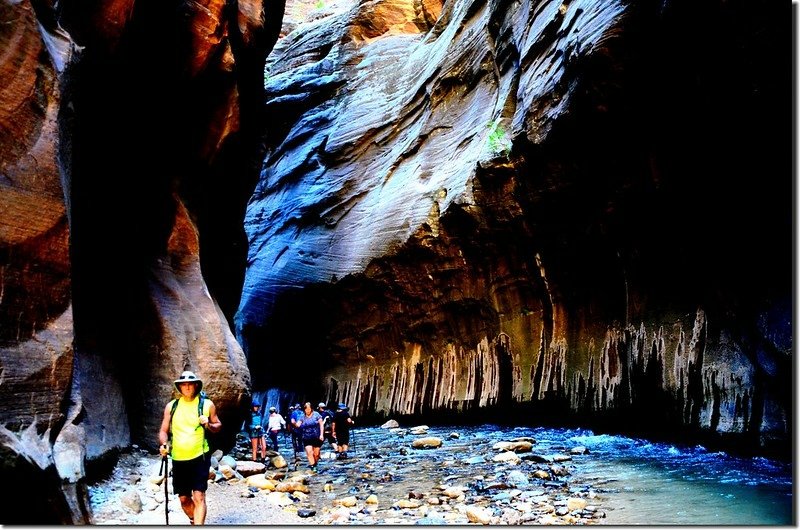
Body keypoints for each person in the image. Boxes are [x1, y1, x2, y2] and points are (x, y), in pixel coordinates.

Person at [158, 370, 222, 525]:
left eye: (190, 384)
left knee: (199, 496)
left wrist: (208, 424)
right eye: (183, 384)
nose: (187, 387)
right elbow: (163, 431)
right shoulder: (171, 406)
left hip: (200, 456)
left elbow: (218, 425)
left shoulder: (207, 405)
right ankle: (194, 520)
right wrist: (164, 444)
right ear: (179, 387)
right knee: (184, 499)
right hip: (179, 458)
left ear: (196, 386)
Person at [297, 402, 324, 472]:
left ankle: (315, 464)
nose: (307, 411)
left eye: (309, 409)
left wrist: (321, 434)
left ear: (311, 409)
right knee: (309, 452)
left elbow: (321, 424)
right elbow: (298, 424)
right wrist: (295, 424)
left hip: (316, 436)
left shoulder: (316, 414)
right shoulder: (302, 416)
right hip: (306, 437)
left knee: (316, 454)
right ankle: (313, 466)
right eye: (306, 409)